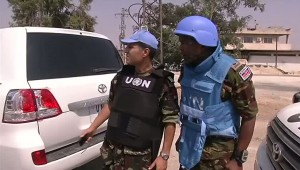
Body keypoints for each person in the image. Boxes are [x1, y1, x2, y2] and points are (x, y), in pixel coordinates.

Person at [81, 28, 179, 170]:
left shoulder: (162, 83)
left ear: (145, 52)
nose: (126, 50)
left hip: (138, 156)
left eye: (130, 47)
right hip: (112, 149)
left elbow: (170, 121)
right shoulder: (121, 76)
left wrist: (164, 155)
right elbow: (111, 105)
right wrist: (93, 127)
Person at [174, 16, 258, 170]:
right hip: (189, 151)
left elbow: (249, 116)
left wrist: (238, 159)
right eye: (181, 42)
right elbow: (187, 104)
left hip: (219, 159)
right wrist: (182, 136)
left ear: (204, 43)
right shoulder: (187, 68)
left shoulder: (232, 72)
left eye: (187, 42)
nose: (182, 47)